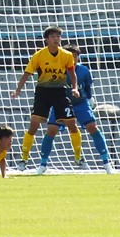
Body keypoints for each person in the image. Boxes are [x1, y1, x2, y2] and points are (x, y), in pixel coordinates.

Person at [10, 26, 82, 171]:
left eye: (58, 36)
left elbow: (72, 73)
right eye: (53, 36)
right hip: (43, 92)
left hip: (60, 92)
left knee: (72, 124)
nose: (56, 39)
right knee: (33, 125)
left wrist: (75, 87)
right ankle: (24, 159)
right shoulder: (39, 55)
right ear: (47, 39)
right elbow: (27, 73)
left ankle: (79, 158)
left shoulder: (67, 55)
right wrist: (18, 90)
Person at [37, 44, 113, 175]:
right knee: (51, 130)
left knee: (92, 127)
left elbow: (87, 86)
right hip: (61, 104)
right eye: (69, 56)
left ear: (78, 57)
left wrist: (90, 98)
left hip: (80, 104)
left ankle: (107, 163)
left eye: (75, 56)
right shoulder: (56, 70)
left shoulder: (84, 70)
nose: (72, 58)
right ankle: (43, 164)